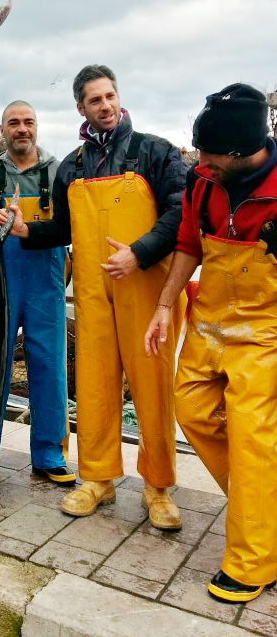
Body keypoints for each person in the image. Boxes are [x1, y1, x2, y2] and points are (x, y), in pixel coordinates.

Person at [0, 65, 187, 528]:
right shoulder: (73, 166)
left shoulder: (155, 152)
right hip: (92, 294)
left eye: (110, 96)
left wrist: (139, 253)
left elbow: (182, 214)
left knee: (152, 389)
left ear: (118, 99)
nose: (105, 106)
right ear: (80, 107)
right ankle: (97, 479)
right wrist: (26, 229)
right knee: (96, 388)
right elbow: (63, 228)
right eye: (95, 100)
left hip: (144, 287)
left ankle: (158, 488)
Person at [145, 83, 277, 602]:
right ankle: (265, 511)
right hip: (208, 322)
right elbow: (187, 244)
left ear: (245, 152)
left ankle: (254, 562)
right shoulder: (204, 182)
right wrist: (162, 306)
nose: (201, 162)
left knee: (252, 437)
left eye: (212, 154)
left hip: (264, 333)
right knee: (194, 411)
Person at [0, 101, 74, 484]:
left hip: (46, 284)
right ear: (3, 130)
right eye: (14, 123)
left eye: (29, 122)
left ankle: (50, 454)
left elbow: (71, 229)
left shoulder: (61, 173)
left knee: (49, 367)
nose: (22, 129)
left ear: (37, 127)